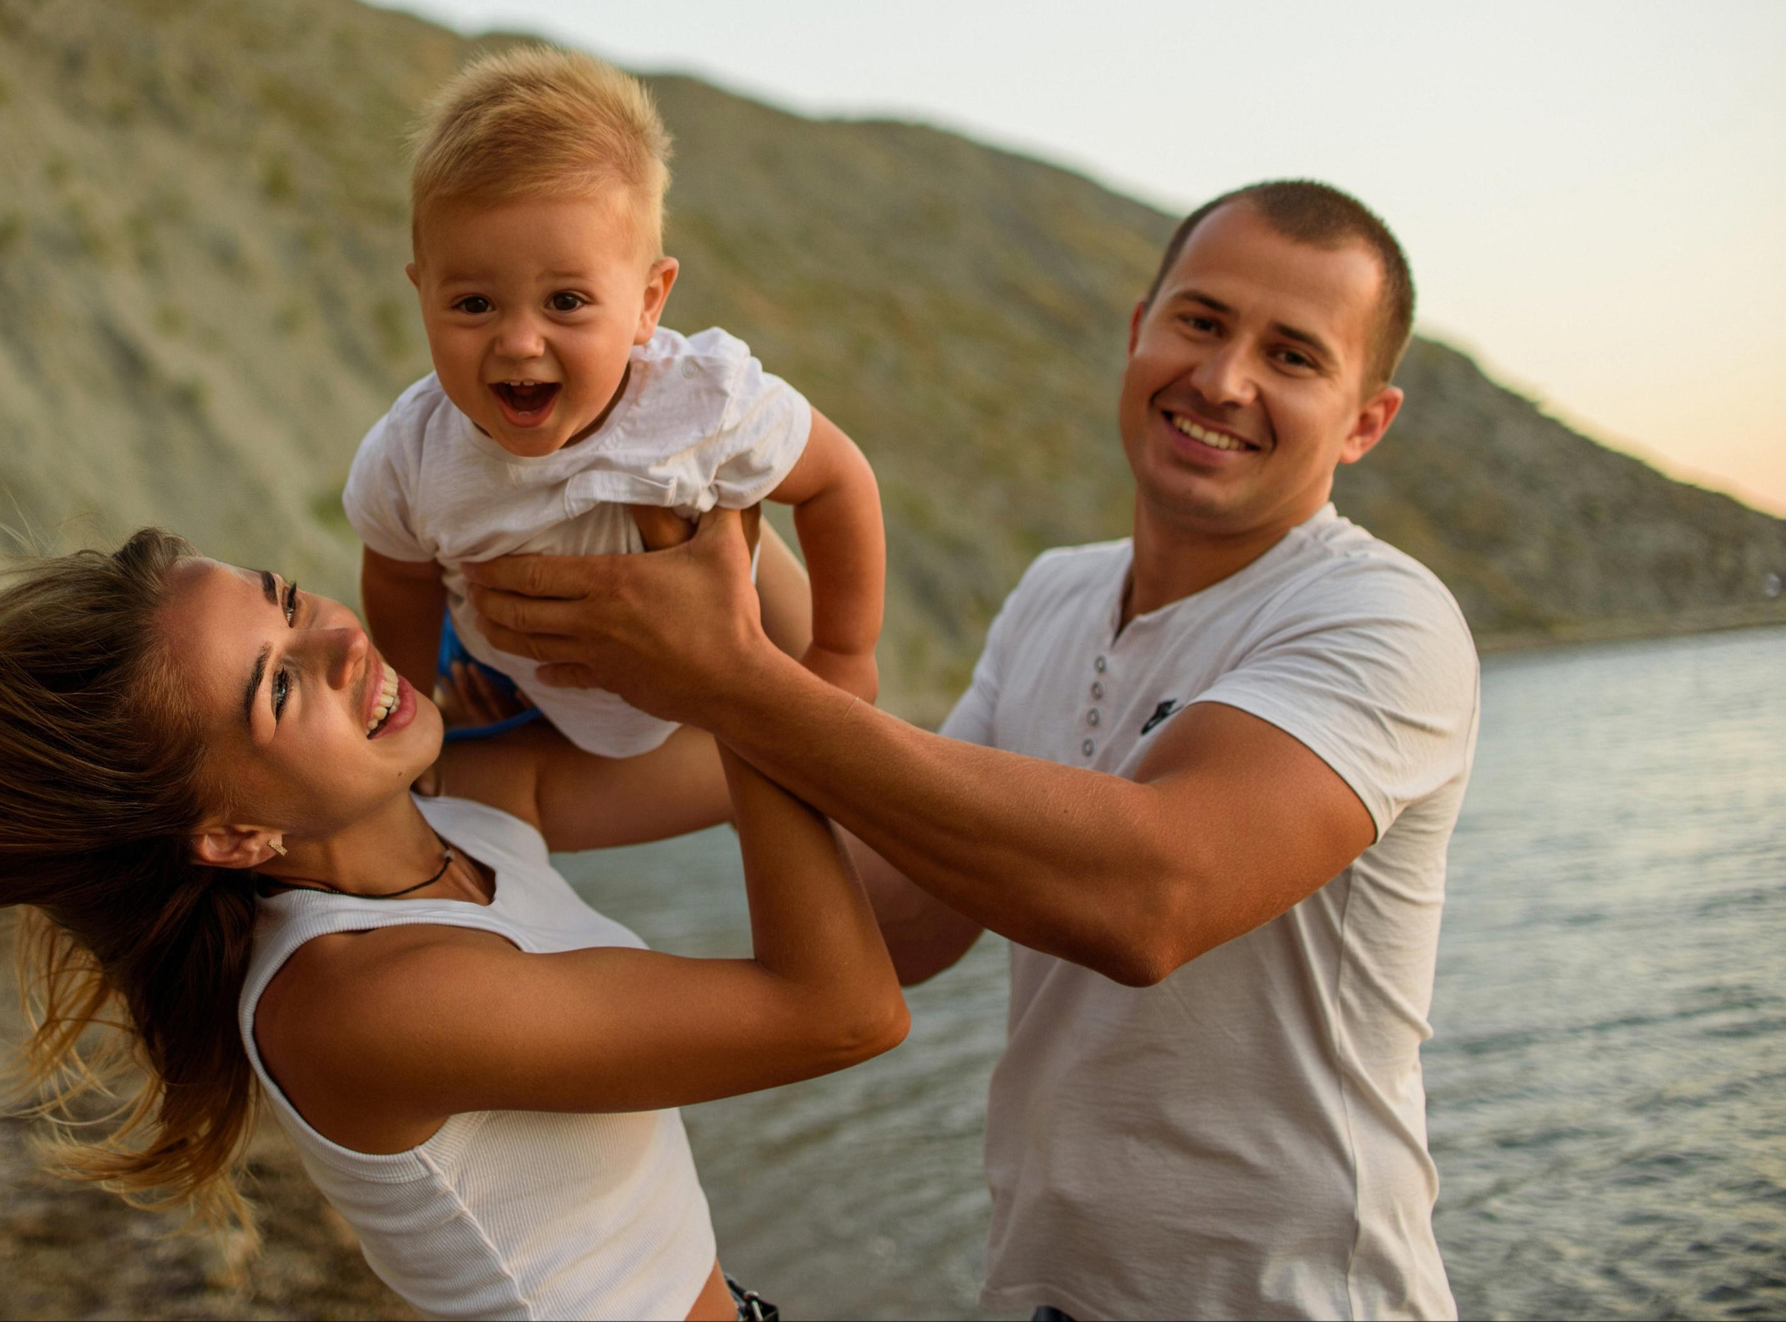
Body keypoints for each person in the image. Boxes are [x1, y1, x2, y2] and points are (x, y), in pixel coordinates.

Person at [466, 181, 1482, 1321]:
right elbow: (900, 924)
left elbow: (1149, 898)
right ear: (1138, 327)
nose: (1224, 378)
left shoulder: (1382, 617)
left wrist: (732, 679)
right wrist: (713, 551)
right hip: (1045, 1288)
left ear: (1363, 419)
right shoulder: (1055, 593)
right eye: (1200, 321)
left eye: (1293, 355)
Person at [0, 526, 906, 1322]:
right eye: (276, 683)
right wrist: (725, 676)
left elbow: (823, 718)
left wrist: (698, 485)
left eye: (284, 599)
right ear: (231, 835)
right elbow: (844, 1010)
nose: (334, 637)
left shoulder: (477, 810)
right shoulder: (357, 999)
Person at [346, 45, 885, 757]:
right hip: (520, 701)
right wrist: (421, 707)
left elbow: (838, 480)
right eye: (474, 303)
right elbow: (396, 573)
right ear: (422, 295)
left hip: (704, 701)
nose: (518, 340)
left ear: (648, 302)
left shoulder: (703, 400)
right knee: (482, 787)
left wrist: (844, 654)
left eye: (565, 301)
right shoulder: (412, 451)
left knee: (805, 765)